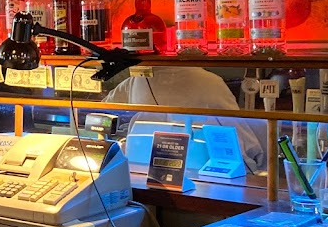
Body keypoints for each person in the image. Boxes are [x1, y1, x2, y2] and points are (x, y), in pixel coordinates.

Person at [105, 66, 266, 173]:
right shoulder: (210, 83)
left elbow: (100, 111)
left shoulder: (137, 81)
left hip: (143, 168)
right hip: (208, 173)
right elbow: (243, 144)